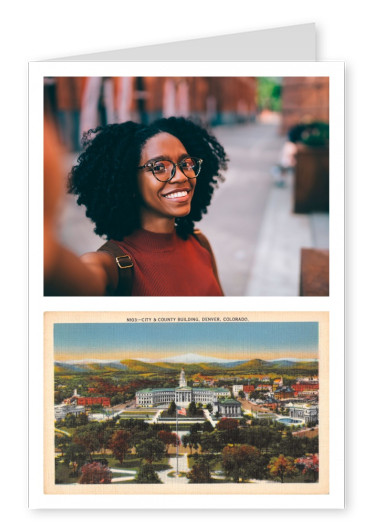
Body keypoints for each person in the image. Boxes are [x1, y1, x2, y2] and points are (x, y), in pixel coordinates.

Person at [45, 116, 228, 296]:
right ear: (129, 181)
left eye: (186, 163)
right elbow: (70, 279)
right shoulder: (111, 266)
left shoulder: (200, 243)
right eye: (159, 167)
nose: (181, 176)